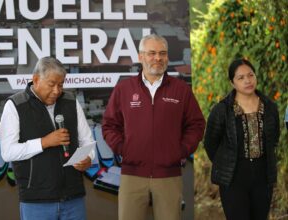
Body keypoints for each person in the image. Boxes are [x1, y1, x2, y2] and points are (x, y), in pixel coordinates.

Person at [102, 34, 206, 220]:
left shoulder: (180, 89)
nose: (158, 58)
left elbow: (196, 124)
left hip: (168, 176)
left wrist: (180, 150)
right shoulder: (124, 89)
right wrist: (123, 149)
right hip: (132, 175)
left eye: (162, 53)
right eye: (151, 53)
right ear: (141, 57)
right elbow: (109, 125)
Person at [0, 56, 95, 220]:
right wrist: (44, 142)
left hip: (73, 198)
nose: (57, 90)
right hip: (36, 201)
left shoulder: (71, 102)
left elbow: (88, 141)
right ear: (35, 80)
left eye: (61, 85)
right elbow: (8, 152)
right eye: (51, 84)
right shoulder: (15, 105)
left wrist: (88, 159)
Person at [204, 58, 280, 220]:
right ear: (232, 83)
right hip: (233, 177)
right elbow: (210, 143)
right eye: (241, 78)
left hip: (262, 176)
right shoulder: (222, 110)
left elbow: (274, 139)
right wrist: (226, 162)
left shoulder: (270, 107)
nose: (247, 80)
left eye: (250, 75)